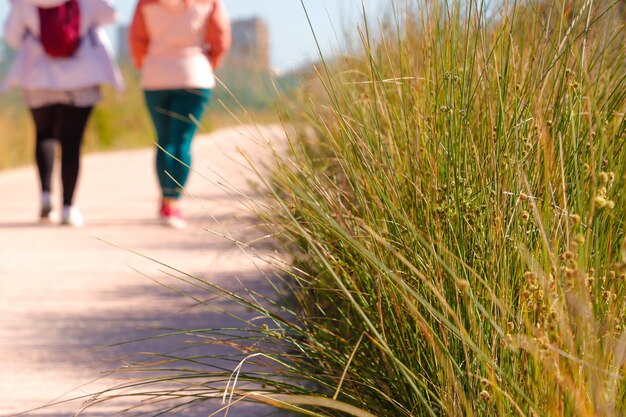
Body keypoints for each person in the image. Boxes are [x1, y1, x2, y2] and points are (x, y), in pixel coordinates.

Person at [2, 0, 124, 227]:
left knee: (44, 135)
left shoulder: (26, 3)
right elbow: (112, 15)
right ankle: (68, 208)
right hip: (81, 77)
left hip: (38, 77)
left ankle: (46, 195)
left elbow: (11, 36)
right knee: (72, 144)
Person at [130, 0, 231, 228]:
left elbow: (136, 40)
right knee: (182, 141)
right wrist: (208, 62)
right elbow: (221, 37)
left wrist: (145, 63)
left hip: (155, 76)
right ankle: (172, 202)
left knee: (164, 139)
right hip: (194, 74)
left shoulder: (145, 3)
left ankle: (166, 199)